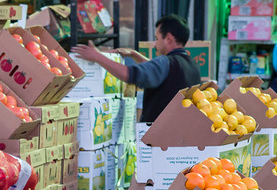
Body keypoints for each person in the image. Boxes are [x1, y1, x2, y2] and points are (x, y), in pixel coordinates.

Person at [71, 14, 201, 123]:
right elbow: (162, 74)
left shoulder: (165, 62)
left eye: (156, 38)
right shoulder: (190, 64)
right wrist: (134, 55)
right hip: (179, 133)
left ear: (168, 38)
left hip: (162, 137)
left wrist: (97, 56)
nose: (155, 44)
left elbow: (129, 74)